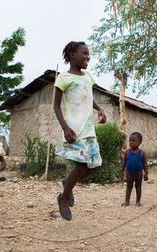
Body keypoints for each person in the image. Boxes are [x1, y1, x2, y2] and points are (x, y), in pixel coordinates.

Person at [54, 41, 107, 221]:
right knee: (83, 164)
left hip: (88, 127)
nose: (88, 57)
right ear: (72, 55)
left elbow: (88, 98)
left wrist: (99, 109)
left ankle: (67, 184)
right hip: (73, 128)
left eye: (88, 54)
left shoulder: (88, 77)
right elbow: (55, 105)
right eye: (84, 53)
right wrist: (65, 127)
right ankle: (63, 197)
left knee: (96, 165)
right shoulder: (63, 78)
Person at [121, 132, 149, 207]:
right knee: (129, 187)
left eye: (134, 141)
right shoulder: (127, 152)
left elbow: (145, 164)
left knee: (138, 187)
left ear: (139, 142)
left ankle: (138, 201)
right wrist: (121, 171)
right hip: (129, 173)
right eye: (130, 140)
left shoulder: (142, 153)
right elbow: (124, 162)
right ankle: (127, 201)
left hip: (139, 173)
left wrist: (146, 173)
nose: (131, 142)